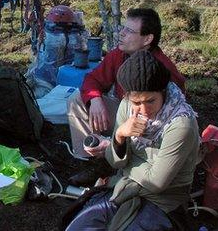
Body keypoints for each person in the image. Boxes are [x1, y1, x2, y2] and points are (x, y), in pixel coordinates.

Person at [65, 50, 199, 231]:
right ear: (128, 96)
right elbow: (115, 161)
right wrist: (120, 135)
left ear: (163, 92)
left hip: (163, 200)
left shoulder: (180, 124)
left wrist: (127, 165)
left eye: (150, 101)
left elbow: (156, 183)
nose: (143, 110)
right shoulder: (127, 106)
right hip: (124, 187)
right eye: (137, 102)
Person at [67, 8, 186, 186]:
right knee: (78, 99)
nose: (121, 34)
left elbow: (168, 116)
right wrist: (96, 99)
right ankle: (94, 162)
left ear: (147, 39)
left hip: (151, 124)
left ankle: (123, 164)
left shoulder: (162, 69)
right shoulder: (119, 54)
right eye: (124, 28)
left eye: (129, 31)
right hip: (125, 113)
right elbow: (92, 79)